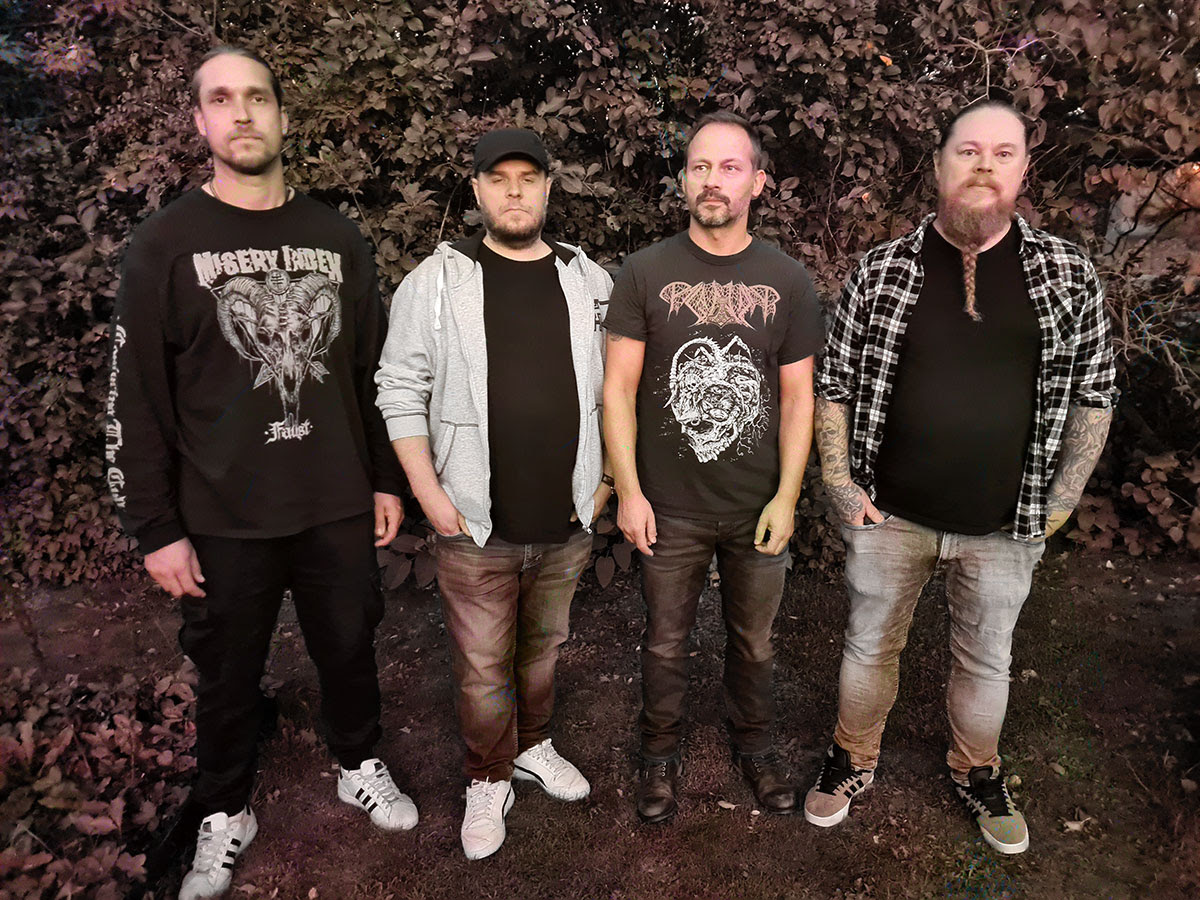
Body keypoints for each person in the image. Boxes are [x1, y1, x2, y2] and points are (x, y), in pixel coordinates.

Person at [105, 46, 417, 899]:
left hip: (334, 500)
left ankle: (357, 760)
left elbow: (373, 371)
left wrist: (384, 478)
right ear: (200, 121)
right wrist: (155, 527)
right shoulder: (163, 246)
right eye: (221, 99)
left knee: (350, 645)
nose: (241, 114)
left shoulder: (336, 237)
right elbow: (136, 396)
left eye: (257, 98)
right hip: (220, 512)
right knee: (226, 670)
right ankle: (224, 807)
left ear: (283, 116)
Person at [803, 99, 1117, 855]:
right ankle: (852, 758)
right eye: (968, 151)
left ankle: (978, 771)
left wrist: (1063, 499)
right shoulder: (882, 271)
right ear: (940, 165)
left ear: (1023, 171)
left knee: (987, 658)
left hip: (1006, 523)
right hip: (890, 516)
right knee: (868, 647)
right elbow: (834, 385)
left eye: (1002, 153)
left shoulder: (1067, 275)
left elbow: (1095, 392)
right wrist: (841, 485)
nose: (984, 166)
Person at [374, 128, 613, 860]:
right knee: (483, 669)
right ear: (476, 190)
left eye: (527, 178)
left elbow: (621, 389)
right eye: (498, 179)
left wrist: (605, 482)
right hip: (474, 524)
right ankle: (488, 777)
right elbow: (399, 388)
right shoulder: (434, 283)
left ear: (548, 188)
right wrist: (429, 495)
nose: (514, 191)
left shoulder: (587, 281)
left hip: (568, 519)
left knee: (542, 649)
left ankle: (532, 746)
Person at [603, 111, 824, 823]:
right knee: (665, 642)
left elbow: (799, 398)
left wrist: (787, 497)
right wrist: (628, 491)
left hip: (757, 502)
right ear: (683, 180)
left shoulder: (787, 280)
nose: (712, 180)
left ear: (757, 182)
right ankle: (658, 753)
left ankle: (755, 746)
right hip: (668, 505)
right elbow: (618, 390)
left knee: (753, 642)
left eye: (730, 167)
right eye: (699, 166)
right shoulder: (645, 271)